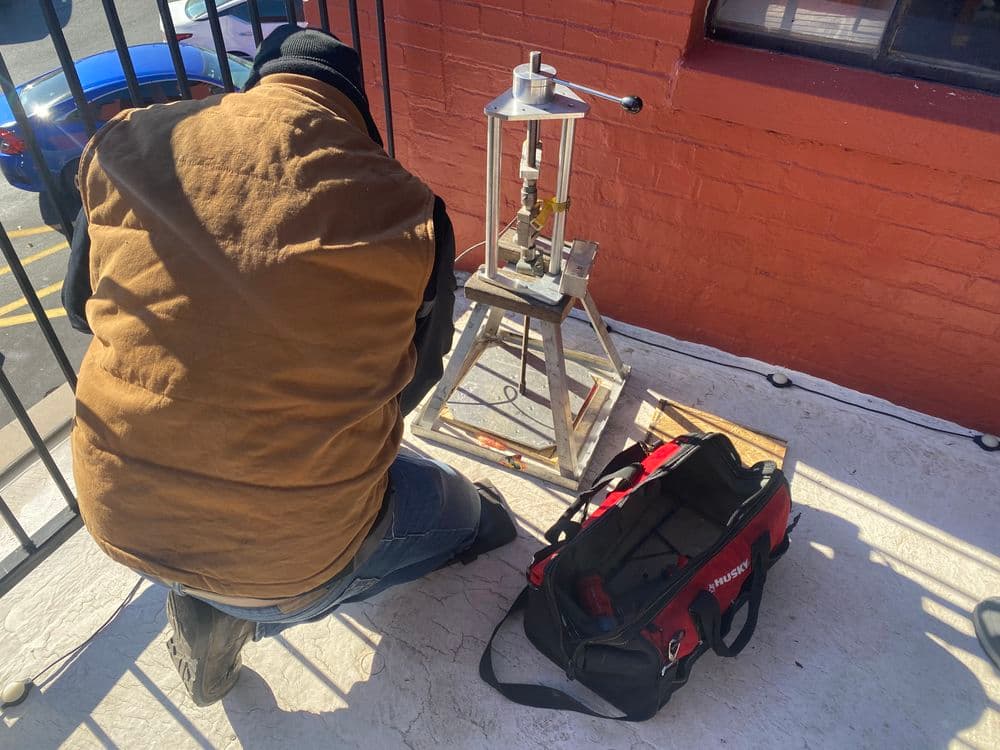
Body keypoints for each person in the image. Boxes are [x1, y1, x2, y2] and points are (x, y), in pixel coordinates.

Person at [62, 26, 516, 706]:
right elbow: (417, 379)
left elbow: (79, 308)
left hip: (118, 518)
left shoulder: (130, 140)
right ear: (356, 114)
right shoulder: (409, 207)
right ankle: (245, 613)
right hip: (291, 565)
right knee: (478, 518)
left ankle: (219, 596)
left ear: (256, 86)